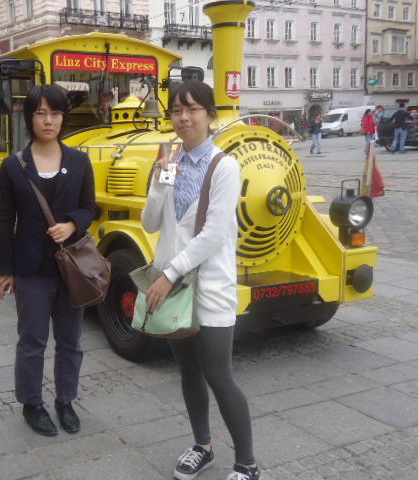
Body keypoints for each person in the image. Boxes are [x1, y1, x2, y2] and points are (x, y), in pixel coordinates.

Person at [142, 80, 260, 480]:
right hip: (175, 291)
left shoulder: (224, 166)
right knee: (189, 374)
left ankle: (247, 464)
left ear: (210, 115)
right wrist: (159, 181)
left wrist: (168, 275)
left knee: (219, 376)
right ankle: (203, 447)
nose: (183, 117)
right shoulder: (170, 162)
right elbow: (150, 223)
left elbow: (214, 234)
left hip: (208, 287)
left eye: (192, 109)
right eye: (176, 110)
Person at [0, 84, 96, 437]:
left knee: (70, 341)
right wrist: (4, 270)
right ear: (29, 118)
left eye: (54, 113)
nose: (48, 120)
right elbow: (5, 220)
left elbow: (90, 207)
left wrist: (72, 224)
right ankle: (32, 404)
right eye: (40, 113)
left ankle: (66, 401)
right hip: (31, 269)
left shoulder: (79, 161)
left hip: (72, 269)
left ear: (63, 117)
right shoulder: (13, 166)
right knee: (32, 341)